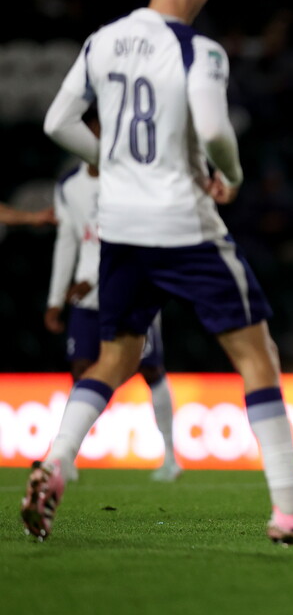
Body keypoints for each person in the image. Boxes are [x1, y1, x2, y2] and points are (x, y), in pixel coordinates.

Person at [24, 0, 293, 551]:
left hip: (119, 227)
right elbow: (212, 129)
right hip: (181, 221)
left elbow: (57, 122)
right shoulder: (198, 49)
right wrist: (229, 174)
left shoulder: (102, 40)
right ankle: (289, 510)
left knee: (116, 356)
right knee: (257, 354)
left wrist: (114, 161)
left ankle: (55, 462)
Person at [44, 108, 181, 483]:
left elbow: (142, 238)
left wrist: (94, 279)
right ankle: (65, 456)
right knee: (81, 371)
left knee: (151, 369)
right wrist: (56, 299)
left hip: (132, 289)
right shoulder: (69, 186)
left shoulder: (133, 179)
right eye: (97, 129)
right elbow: (67, 241)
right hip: (86, 300)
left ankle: (170, 457)